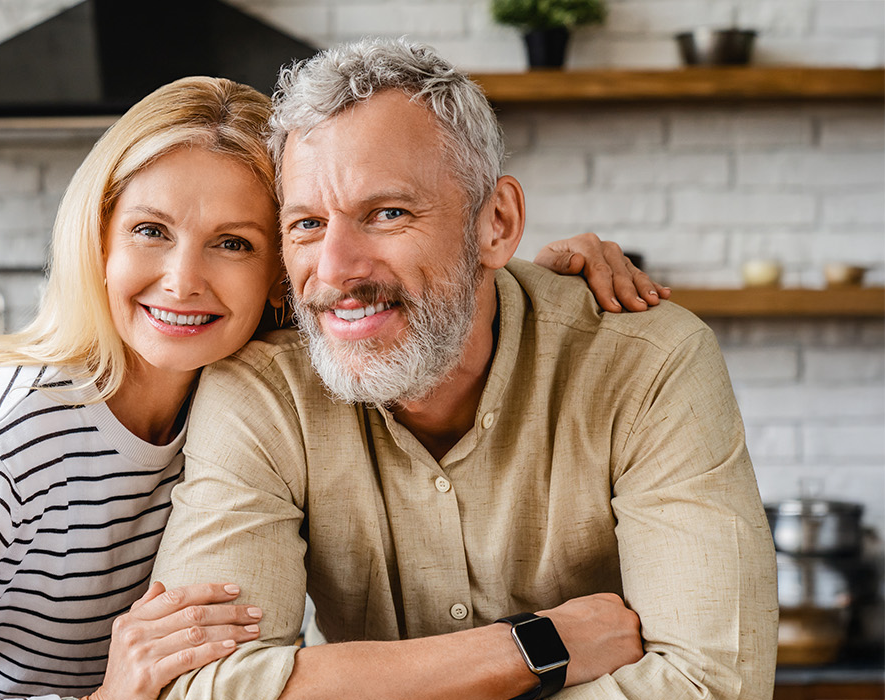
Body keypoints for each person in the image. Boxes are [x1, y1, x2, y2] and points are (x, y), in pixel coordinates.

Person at [0, 76, 667, 700]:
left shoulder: (241, 387)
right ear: (99, 237)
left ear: (279, 270)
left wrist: (537, 277)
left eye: (234, 243)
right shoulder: (17, 430)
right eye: (152, 230)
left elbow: (388, 291)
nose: (184, 280)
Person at [153, 39, 776, 700]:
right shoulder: (261, 391)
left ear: (497, 223)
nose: (335, 269)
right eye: (307, 223)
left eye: (388, 213)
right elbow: (203, 689)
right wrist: (534, 646)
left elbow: (713, 684)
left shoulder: (646, 364)